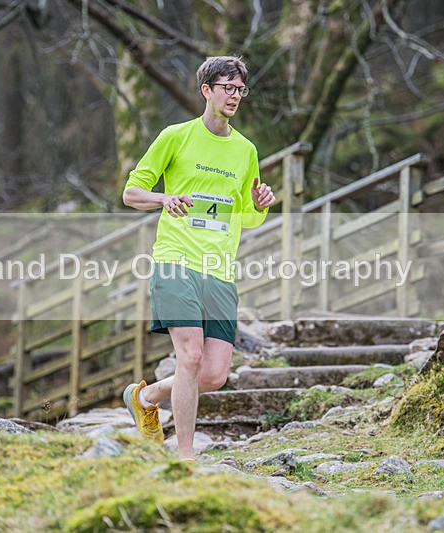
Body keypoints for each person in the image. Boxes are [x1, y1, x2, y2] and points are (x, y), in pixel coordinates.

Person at [121, 56, 275, 461]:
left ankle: (146, 396)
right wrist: (163, 197)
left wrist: (260, 205)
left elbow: (246, 216)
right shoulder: (176, 136)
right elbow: (131, 193)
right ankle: (185, 457)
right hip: (176, 261)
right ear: (206, 90)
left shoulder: (245, 150)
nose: (235, 96)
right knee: (188, 356)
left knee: (213, 374)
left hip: (219, 271)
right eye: (227, 87)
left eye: (240, 89)